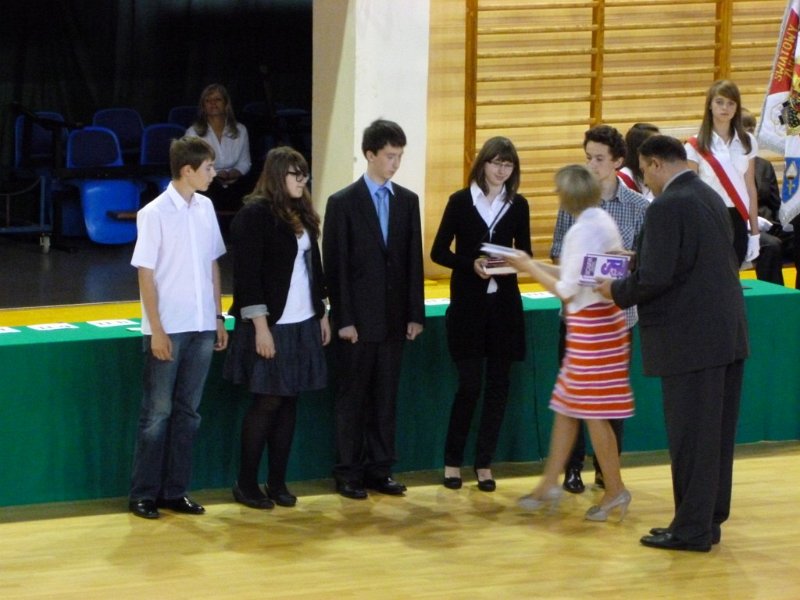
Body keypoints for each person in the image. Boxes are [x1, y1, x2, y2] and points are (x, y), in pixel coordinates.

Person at [596, 135, 749, 552]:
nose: (644, 179)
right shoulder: (707, 195)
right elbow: (691, 260)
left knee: (691, 439)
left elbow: (656, 277)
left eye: (644, 170)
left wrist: (616, 290)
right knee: (715, 437)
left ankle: (691, 530)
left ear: (655, 163)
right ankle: (707, 521)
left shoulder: (667, 205)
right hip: (725, 335)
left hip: (690, 341)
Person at [507, 164, 634, 521]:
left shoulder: (579, 232)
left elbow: (566, 290)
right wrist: (530, 265)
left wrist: (527, 267)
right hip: (604, 323)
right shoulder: (602, 220)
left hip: (591, 328)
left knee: (591, 412)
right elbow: (577, 276)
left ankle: (615, 489)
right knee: (567, 406)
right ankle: (549, 483)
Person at [323, 119, 425, 500]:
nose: (395, 164)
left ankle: (380, 469)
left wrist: (415, 314)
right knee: (352, 399)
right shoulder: (343, 203)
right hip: (357, 322)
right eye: (389, 156)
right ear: (370, 154)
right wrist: (344, 318)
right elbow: (336, 266)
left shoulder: (407, 201)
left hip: (394, 320)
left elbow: (412, 262)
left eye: (399, 157)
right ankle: (348, 472)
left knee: (385, 399)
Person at [223, 146, 331, 509]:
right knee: (267, 402)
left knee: (289, 402)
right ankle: (246, 483)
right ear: (277, 175)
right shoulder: (254, 215)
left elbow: (314, 268)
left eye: (304, 175)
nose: (302, 181)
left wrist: (321, 312)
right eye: (295, 174)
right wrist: (261, 327)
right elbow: (247, 277)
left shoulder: (302, 212)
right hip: (270, 324)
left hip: (303, 320)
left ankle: (278, 481)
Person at [128, 136, 229, 519]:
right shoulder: (153, 213)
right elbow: (146, 274)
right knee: (157, 413)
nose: (213, 173)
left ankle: (175, 490)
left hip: (202, 325)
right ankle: (143, 493)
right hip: (169, 327)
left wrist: (218, 316)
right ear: (188, 170)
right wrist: (156, 329)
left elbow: (213, 264)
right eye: (208, 167)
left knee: (189, 412)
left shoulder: (206, 207)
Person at [550, 124, 648, 494]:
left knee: (611, 398)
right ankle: (572, 468)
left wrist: (624, 261)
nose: (592, 165)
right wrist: (581, 266)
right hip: (578, 313)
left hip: (618, 316)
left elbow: (645, 261)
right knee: (575, 397)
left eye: (600, 159)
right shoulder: (574, 203)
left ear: (618, 161)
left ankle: (608, 473)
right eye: (588, 157)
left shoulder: (638, 205)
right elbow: (558, 252)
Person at [430, 136, 531, 492]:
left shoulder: (518, 204)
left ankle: (484, 463)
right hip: (468, 307)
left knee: (499, 386)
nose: (502, 170)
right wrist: (470, 263)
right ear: (483, 163)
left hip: (504, 308)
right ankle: (452, 461)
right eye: (496, 163)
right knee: (470, 385)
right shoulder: (460, 201)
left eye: (508, 165)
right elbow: (438, 252)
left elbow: (526, 253)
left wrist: (508, 262)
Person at [685, 79, 760, 267]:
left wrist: (755, 233)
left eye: (731, 103)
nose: (725, 108)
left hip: (738, 216)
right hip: (708, 216)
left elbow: (750, 188)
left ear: (737, 107)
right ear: (710, 105)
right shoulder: (695, 145)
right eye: (719, 102)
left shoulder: (748, 141)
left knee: (734, 272)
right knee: (710, 273)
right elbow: (690, 192)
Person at [186, 83, 252, 216]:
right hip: (206, 184)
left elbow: (245, 162)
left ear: (226, 104)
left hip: (235, 182)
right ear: (203, 106)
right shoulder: (193, 133)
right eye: (208, 100)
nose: (213, 103)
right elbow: (192, 166)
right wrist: (215, 175)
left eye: (217, 99)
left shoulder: (241, 130)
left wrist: (235, 172)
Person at [741, 108, 788, 286]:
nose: (749, 134)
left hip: (770, 225)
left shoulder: (764, 165)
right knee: (772, 246)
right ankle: (775, 297)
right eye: (744, 129)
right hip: (743, 227)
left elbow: (776, 204)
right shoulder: (725, 165)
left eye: (751, 129)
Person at [618, 123, 660, 201]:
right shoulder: (623, 179)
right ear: (638, 150)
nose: (662, 150)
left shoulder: (661, 174)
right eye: (656, 146)